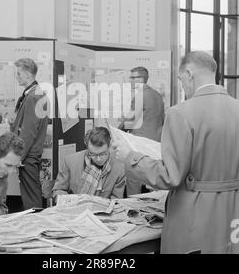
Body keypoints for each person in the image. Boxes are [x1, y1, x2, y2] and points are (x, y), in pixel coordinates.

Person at [113, 50, 239, 254]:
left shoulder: (181, 113)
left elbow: (170, 176)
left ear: (189, 73)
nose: (183, 87)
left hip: (196, 214)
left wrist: (130, 158)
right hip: (233, 213)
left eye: (181, 80)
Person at [118, 67, 164, 195]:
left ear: (142, 79)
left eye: (133, 77)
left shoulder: (140, 96)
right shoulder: (158, 96)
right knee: (152, 181)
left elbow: (130, 122)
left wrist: (115, 132)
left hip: (139, 143)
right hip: (155, 143)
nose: (130, 80)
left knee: (134, 179)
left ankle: (133, 206)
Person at [10, 58, 48, 210]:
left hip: (28, 155)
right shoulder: (37, 93)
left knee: (31, 197)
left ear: (27, 74)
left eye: (18, 73)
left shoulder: (33, 96)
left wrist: (18, 156)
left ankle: (35, 227)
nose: (16, 76)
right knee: (32, 193)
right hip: (32, 153)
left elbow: (29, 132)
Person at [52, 127, 126, 201]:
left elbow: (117, 202)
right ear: (87, 147)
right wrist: (67, 199)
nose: (98, 159)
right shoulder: (70, 161)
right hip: (75, 210)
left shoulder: (119, 169)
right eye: (93, 154)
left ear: (109, 146)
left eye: (103, 154)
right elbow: (57, 191)